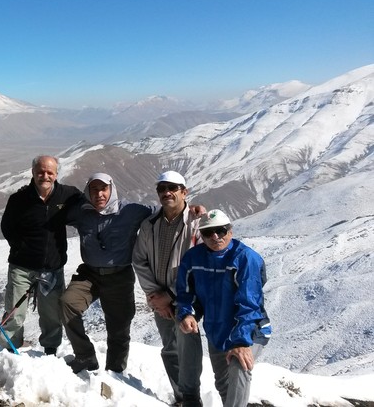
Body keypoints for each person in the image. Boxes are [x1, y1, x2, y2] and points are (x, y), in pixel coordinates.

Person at [60, 173, 158, 373]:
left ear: (111, 189)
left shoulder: (131, 211)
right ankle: (85, 356)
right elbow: (52, 216)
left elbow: (163, 211)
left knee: (119, 328)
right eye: (94, 190)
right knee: (67, 304)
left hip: (119, 276)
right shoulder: (80, 212)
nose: (99, 194)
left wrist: (189, 210)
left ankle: (115, 373)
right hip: (89, 274)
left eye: (103, 189)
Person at [176, 209, 272, 407]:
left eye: (221, 230)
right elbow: (186, 293)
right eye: (208, 232)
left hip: (249, 328)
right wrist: (187, 313)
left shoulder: (246, 258)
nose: (215, 237)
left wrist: (241, 341)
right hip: (216, 329)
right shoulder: (193, 258)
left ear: (230, 230)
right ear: (201, 235)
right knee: (224, 384)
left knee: (239, 365)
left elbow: (249, 303)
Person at [0, 155, 82, 355]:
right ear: (33, 173)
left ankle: (50, 350)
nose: (45, 175)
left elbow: (87, 206)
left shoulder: (67, 195)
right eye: (40, 172)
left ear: (56, 174)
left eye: (49, 172)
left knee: (51, 313)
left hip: (52, 268)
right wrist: (20, 247)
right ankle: (10, 351)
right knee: (14, 313)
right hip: (22, 267)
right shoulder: (19, 199)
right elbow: (7, 226)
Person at [132, 171, 203, 405]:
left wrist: (170, 295)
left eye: (172, 188)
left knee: (188, 346)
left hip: (186, 298)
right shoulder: (149, 224)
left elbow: (201, 264)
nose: (166, 193)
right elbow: (139, 260)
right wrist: (155, 296)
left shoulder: (197, 223)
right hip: (159, 299)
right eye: (162, 189)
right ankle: (180, 396)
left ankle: (192, 397)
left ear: (185, 192)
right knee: (170, 348)